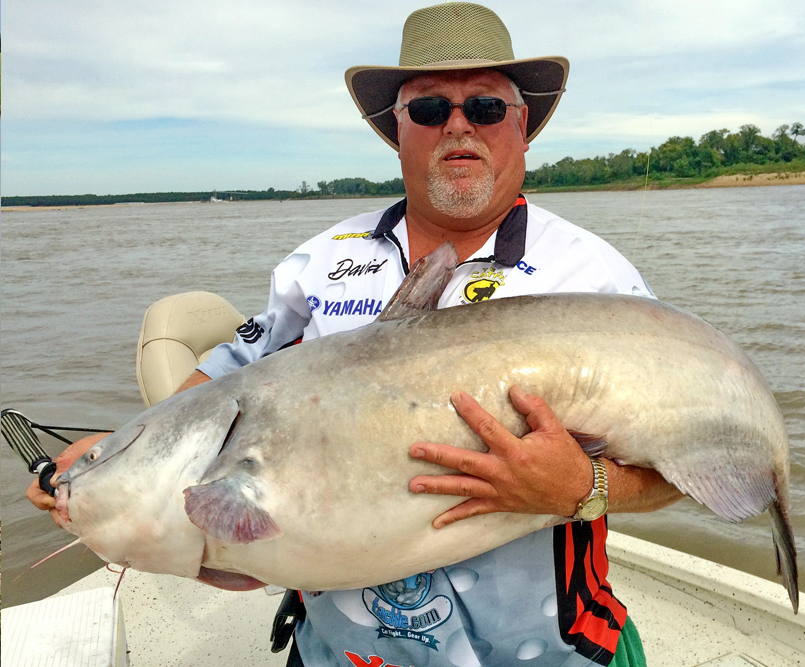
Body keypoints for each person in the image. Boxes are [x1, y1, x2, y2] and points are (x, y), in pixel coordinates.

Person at [29, 3, 683, 666]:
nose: (457, 125)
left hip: (551, 650)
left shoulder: (597, 278)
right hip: (340, 654)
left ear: (522, 127)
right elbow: (229, 377)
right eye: (429, 110)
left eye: (484, 107)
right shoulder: (322, 260)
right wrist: (115, 453)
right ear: (396, 131)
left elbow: (687, 467)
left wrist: (587, 485)